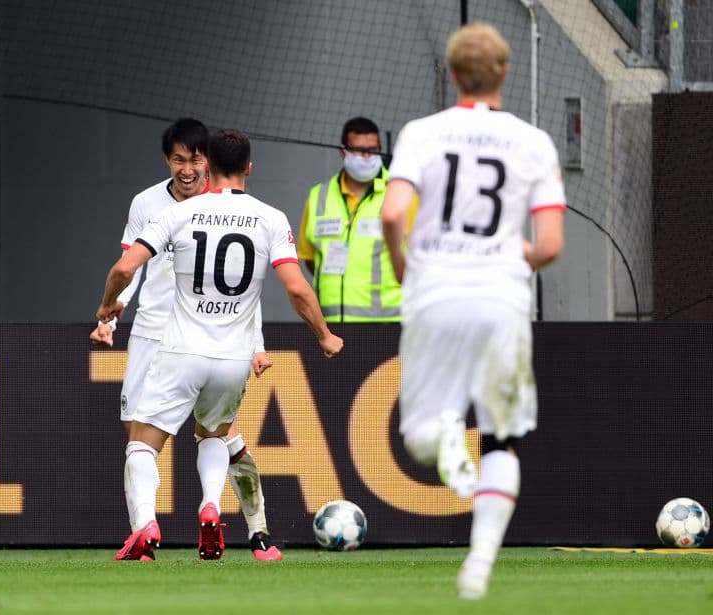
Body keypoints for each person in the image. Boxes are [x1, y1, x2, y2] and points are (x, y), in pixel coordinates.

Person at [96, 128, 343, 561]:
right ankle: (211, 506)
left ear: (207, 163)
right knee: (213, 435)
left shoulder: (182, 213)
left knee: (141, 443)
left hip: (179, 350)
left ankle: (149, 524)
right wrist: (324, 335)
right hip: (232, 358)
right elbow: (298, 290)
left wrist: (106, 307)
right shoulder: (271, 218)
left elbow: (124, 267)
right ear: (249, 167)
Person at [380, 22, 566, 600]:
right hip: (502, 301)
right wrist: (515, 258)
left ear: (454, 74)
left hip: (435, 292)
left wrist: (404, 266)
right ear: (505, 72)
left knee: (415, 440)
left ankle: (442, 435)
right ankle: (479, 564)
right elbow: (552, 245)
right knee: (503, 438)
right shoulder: (534, 142)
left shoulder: (422, 132)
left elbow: (392, 215)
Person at [296, 117, 402, 322]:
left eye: (373, 150)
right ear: (342, 151)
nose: (367, 156)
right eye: (359, 150)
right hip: (331, 327)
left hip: (388, 326)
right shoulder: (319, 196)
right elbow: (310, 259)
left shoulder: (400, 194)